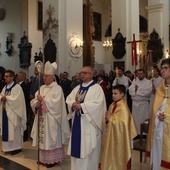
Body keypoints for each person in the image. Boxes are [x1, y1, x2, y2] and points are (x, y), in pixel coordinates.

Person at [30, 61, 70, 168]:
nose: (44, 78)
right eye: (44, 76)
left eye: (46, 76)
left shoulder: (57, 88)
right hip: (42, 117)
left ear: (52, 77)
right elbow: (34, 100)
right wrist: (36, 103)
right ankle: (43, 159)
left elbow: (57, 104)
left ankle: (53, 159)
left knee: (51, 138)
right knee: (42, 138)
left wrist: (43, 100)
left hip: (52, 118)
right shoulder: (41, 88)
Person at [66, 66, 106, 170]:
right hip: (77, 123)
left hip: (89, 125)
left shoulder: (97, 88)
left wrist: (82, 106)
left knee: (88, 149)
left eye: (85, 73)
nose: (82, 74)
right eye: (81, 72)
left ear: (92, 74)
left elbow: (98, 105)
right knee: (77, 148)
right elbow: (69, 99)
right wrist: (73, 103)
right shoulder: (77, 88)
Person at [99, 84, 137, 170]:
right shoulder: (113, 104)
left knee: (119, 154)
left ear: (122, 94)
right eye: (112, 93)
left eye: (115, 93)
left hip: (121, 137)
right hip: (112, 133)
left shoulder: (123, 107)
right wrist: (107, 119)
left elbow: (123, 124)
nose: (113, 95)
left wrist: (110, 119)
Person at [145, 58, 170, 170]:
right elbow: (157, 107)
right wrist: (158, 114)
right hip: (159, 126)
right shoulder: (161, 87)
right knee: (158, 152)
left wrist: (167, 117)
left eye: (165, 68)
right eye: (162, 68)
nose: (162, 71)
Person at [0, 70, 26, 155]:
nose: (5, 78)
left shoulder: (17, 87)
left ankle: (17, 147)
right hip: (5, 112)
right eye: (4, 76)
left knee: (15, 130)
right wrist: (2, 98)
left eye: (7, 76)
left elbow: (18, 100)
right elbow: (1, 95)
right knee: (6, 130)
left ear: (12, 77)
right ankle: (7, 148)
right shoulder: (5, 87)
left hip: (14, 113)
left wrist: (6, 98)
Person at [129, 69, 152, 135]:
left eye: (141, 73)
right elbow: (130, 90)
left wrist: (137, 90)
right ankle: (136, 133)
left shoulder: (148, 82)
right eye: (138, 74)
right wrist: (135, 90)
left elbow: (148, 92)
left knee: (143, 119)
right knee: (136, 119)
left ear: (144, 74)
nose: (139, 75)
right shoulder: (135, 81)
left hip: (143, 104)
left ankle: (144, 134)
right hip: (135, 104)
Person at [16, 71, 30, 141]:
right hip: (18, 107)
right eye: (17, 76)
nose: (17, 77)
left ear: (23, 77)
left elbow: (25, 97)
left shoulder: (24, 85)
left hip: (24, 105)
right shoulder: (17, 85)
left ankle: (25, 136)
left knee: (24, 120)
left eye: (19, 76)